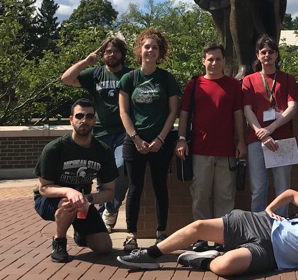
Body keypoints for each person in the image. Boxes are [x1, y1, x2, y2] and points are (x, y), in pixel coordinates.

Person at [115, 189, 298, 276]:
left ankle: (205, 259)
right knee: (198, 227)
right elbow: (291, 194)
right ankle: (149, 255)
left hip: (269, 254)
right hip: (261, 224)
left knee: (224, 267)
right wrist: (269, 208)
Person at [60, 35, 131, 231]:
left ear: (122, 54)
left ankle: (110, 209)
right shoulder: (95, 73)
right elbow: (66, 78)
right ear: (103, 54)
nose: (112, 54)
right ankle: (101, 216)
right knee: (103, 177)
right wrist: (86, 61)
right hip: (99, 134)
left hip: (123, 132)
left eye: (116, 51)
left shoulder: (130, 75)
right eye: (108, 51)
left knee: (121, 168)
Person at [118, 28, 181, 249]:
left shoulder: (166, 79)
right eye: (147, 46)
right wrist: (135, 138)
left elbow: (173, 112)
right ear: (139, 50)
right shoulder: (129, 78)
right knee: (134, 188)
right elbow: (124, 112)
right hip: (134, 142)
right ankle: (130, 235)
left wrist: (161, 139)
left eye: (155, 47)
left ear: (160, 52)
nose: (150, 50)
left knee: (159, 186)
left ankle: (161, 233)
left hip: (160, 143)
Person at [33, 98, 117, 263]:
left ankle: (81, 231)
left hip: (83, 201)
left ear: (94, 120)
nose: (84, 120)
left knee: (104, 247)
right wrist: (68, 191)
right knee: (69, 203)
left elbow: (109, 192)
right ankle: (59, 242)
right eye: (79, 116)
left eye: (89, 116)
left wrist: (88, 199)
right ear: (71, 119)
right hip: (49, 200)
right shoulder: (54, 149)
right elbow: (44, 188)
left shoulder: (103, 151)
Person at [176, 42, 246, 227]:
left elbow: (238, 114)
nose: (214, 63)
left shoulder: (233, 85)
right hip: (200, 150)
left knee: (225, 196)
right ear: (203, 61)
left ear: (224, 61)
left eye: (218, 59)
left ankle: (223, 236)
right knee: (200, 194)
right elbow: (184, 115)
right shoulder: (194, 84)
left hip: (227, 150)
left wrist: (241, 142)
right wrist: (181, 139)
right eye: (210, 59)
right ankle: (201, 237)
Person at [242, 35, 298, 212]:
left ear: (277, 55)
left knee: (283, 189)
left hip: (283, 139)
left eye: (271, 52)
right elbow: (247, 109)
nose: (267, 55)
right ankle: (258, 230)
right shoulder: (249, 80)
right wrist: (261, 132)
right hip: (256, 140)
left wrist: (271, 128)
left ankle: (280, 230)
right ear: (258, 55)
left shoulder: (288, 79)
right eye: (263, 52)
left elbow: (293, 107)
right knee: (258, 189)